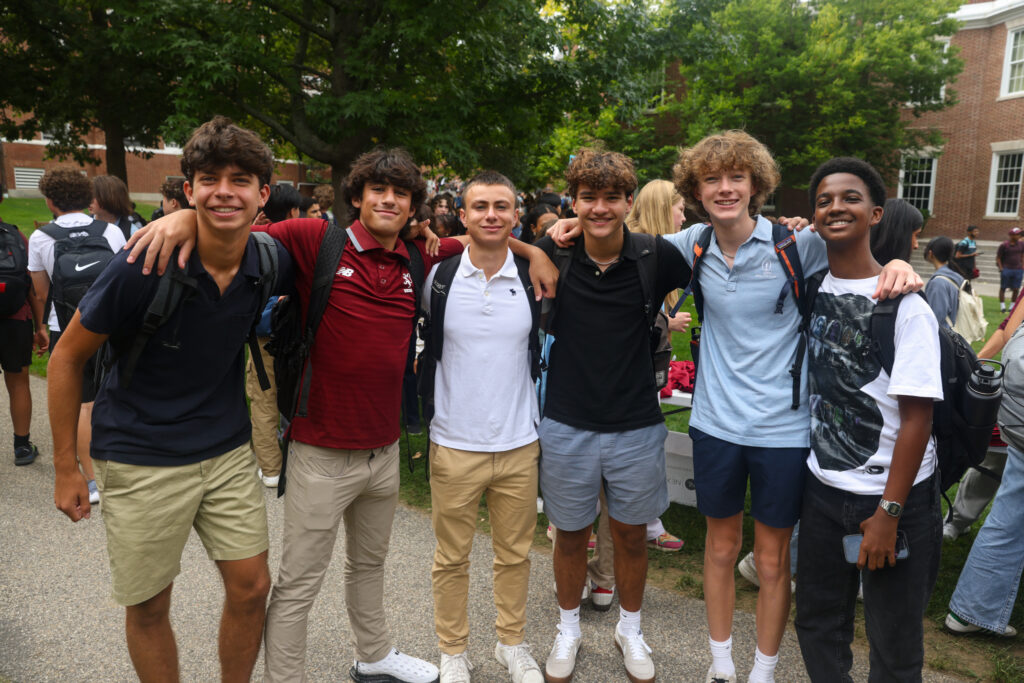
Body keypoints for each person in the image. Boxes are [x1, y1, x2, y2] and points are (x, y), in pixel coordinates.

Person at [127, 147, 558, 683]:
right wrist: (187, 216)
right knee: (300, 582)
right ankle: (286, 678)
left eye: (400, 193)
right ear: (357, 197)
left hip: (384, 451)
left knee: (369, 566)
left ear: (412, 207)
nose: (389, 200)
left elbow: (485, 234)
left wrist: (532, 251)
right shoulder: (317, 240)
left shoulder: (418, 255)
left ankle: (374, 654)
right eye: (378, 190)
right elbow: (240, 235)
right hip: (320, 449)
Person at [47, 116, 292, 682]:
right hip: (140, 454)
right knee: (151, 605)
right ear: (189, 189)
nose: (224, 190)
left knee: (253, 587)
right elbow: (65, 358)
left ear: (262, 193)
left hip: (227, 451)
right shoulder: (142, 264)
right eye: (209, 179)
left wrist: (535, 251)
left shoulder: (266, 263)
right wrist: (67, 468)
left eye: (240, 179)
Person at [537, 149, 694, 683]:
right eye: (588, 198)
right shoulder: (551, 254)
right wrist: (541, 238)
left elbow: (726, 262)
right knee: (570, 534)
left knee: (629, 535)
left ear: (629, 202)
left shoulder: (657, 256)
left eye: (610, 198)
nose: (599, 208)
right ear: (573, 202)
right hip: (565, 420)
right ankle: (568, 629)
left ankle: (631, 629)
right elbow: (481, 248)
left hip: (635, 424)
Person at [796, 157, 943, 682]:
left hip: (893, 498)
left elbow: (917, 421)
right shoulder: (810, 289)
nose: (836, 206)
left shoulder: (906, 305)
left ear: (877, 213)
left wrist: (889, 513)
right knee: (816, 624)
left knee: (895, 642)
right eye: (824, 200)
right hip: (822, 489)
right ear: (813, 217)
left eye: (850, 198)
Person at [423, 171, 544, 683]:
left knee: (514, 555)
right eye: (480, 207)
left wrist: (536, 251)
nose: (491, 215)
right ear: (463, 215)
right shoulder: (440, 278)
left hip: (520, 442)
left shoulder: (537, 276)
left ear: (517, 215)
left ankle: (510, 644)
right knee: (451, 557)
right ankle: (452, 650)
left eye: (502, 206)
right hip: (453, 442)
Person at [29, 167, 127, 504]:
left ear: (49, 200)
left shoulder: (41, 238)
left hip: (66, 329)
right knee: (114, 396)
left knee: (84, 404)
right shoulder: (111, 232)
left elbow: (41, 293)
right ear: (87, 198)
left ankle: (93, 481)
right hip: (110, 326)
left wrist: (41, 327)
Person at [0, 212, 46, 466]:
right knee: (18, 383)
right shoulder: (15, 235)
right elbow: (31, 287)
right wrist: (40, 326)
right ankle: (22, 447)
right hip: (16, 320)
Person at [923, 236, 966, 330]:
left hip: (943, 340)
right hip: (956, 337)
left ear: (931, 253)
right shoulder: (957, 276)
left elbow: (935, 320)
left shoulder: (938, 283)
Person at [91, 174, 144, 239]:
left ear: (110, 198)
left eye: (93, 196)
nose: (88, 199)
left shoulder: (131, 231)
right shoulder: (82, 225)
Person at [997, 227, 1024, 313]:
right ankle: (1002, 306)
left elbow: (1022, 255)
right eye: (1017, 234)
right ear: (1011, 235)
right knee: (1003, 287)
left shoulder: (1022, 244)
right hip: (1007, 269)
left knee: (1016, 288)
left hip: (1018, 269)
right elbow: (998, 258)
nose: (1019, 236)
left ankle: (1012, 307)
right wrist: (1001, 268)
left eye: (1019, 234)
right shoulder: (1004, 245)